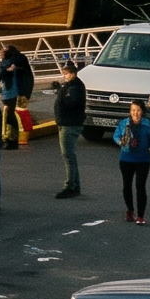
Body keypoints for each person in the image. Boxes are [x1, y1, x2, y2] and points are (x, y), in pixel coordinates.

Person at [112, 101, 150, 224]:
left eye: (138, 110)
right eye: (133, 110)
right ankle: (130, 210)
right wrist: (120, 141)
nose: (135, 113)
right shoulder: (124, 123)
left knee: (140, 186)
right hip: (126, 159)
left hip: (143, 159)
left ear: (142, 111)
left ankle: (141, 216)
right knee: (127, 185)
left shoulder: (147, 124)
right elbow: (116, 136)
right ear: (130, 111)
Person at [52, 66, 89, 199]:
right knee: (70, 156)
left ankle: (70, 186)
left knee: (68, 156)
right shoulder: (71, 86)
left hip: (69, 124)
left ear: (73, 74)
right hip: (67, 123)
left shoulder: (74, 87)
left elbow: (70, 103)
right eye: (63, 74)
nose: (64, 76)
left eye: (66, 74)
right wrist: (60, 90)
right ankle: (75, 186)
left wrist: (61, 94)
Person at [0, 47, 35, 149]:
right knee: (17, 116)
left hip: (10, 94)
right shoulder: (20, 60)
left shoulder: (5, 64)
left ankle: (11, 141)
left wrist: (7, 70)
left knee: (10, 117)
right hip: (19, 93)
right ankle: (19, 138)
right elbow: (29, 77)